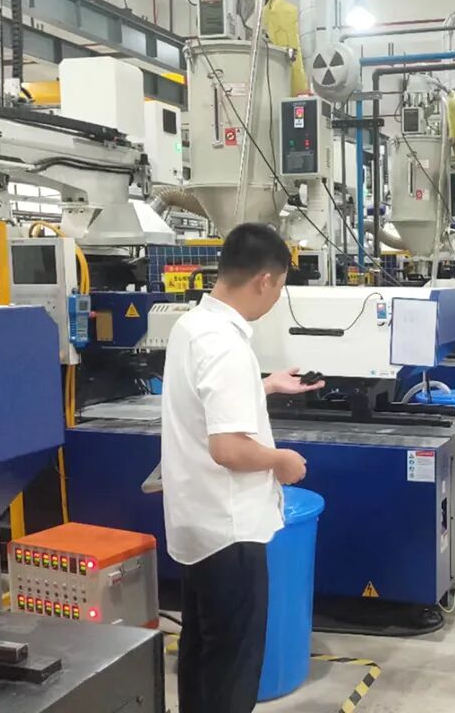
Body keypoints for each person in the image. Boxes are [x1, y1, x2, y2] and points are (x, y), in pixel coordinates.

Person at [160, 223, 325, 713]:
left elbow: (205, 399)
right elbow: (229, 448)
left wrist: (264, 385)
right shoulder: (228, 346)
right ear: (264, 280)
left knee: (201, 653)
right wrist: (281, 462)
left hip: (196, 525)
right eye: (280, 287)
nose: (276, 298)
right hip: (230, 531)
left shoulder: (193, 325)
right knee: (232, 667)